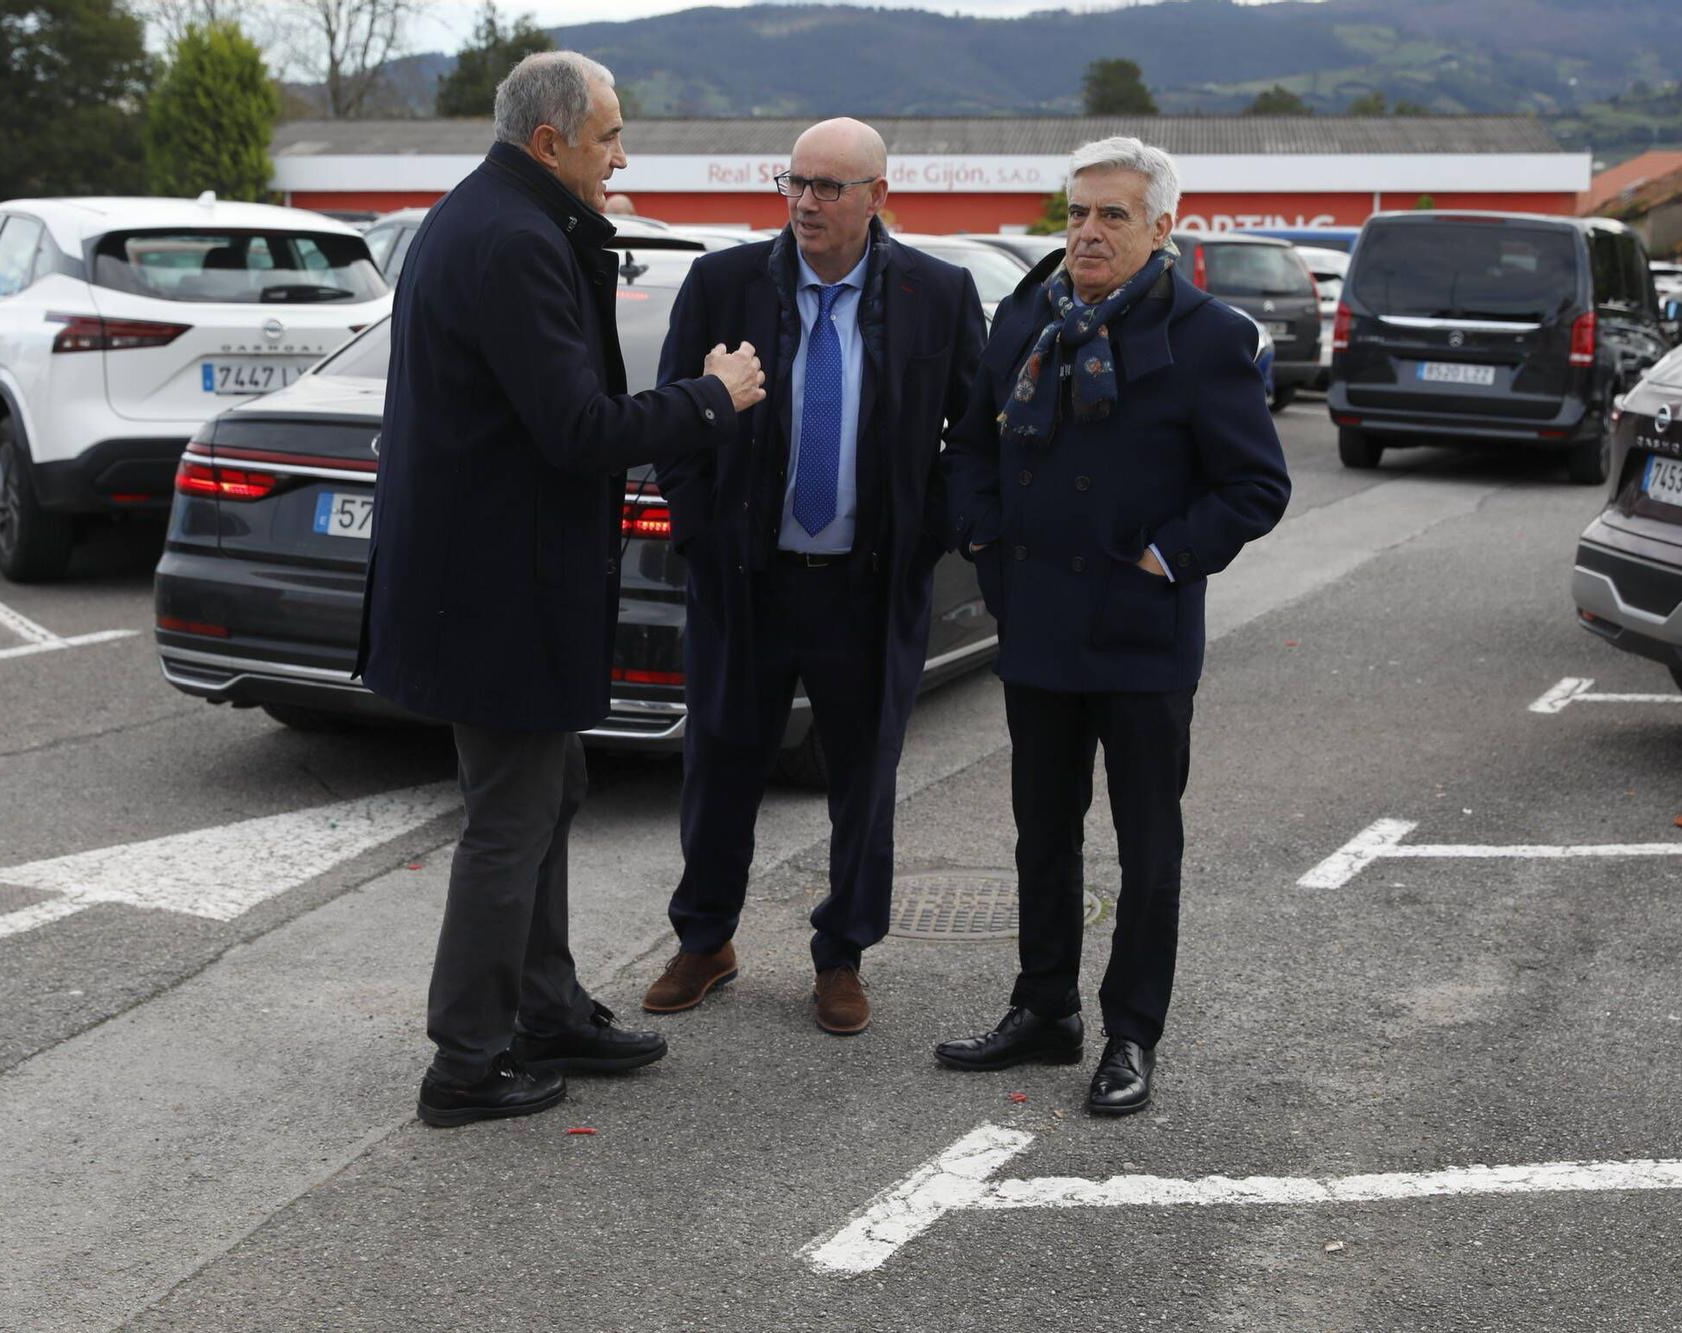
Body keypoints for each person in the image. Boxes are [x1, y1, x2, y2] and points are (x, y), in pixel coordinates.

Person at [357, 52, 766, 1127]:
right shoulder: (512, 239)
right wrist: (709, 396)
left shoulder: (498, 217)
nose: (622, 156)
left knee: (551, 793)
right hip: (496, 594)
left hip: (496, 585)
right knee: (510, 816)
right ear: (551, 143)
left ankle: (543, 1008)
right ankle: (465, 1061)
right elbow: (577, 429)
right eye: (610, 136)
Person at [934, 138, 1290, 1114]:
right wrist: (985, 539)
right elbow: (969, 444)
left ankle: (1130, 1032)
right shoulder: (1026, 319)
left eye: (1111, 216)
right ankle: (1042, 1010)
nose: (1086, 232)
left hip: (1140, 636)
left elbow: (1255, 485)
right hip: (1039, 622)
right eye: (1076, 213)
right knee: (1040, 835)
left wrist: (1163, 554)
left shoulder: (1206, 336)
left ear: (1160, 229)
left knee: (1146, 848)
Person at [640, 118, 985, 1035]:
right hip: (745, 582)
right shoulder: (723, 284)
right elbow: (675, 418)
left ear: (880, 196)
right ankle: (705, 938)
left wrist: (928, 538)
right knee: (719, 766)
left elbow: (974, 434)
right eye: (795, 183)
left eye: (830, 187)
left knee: (864, 781)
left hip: (867, 588)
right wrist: (704, 531)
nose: (806, 203)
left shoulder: (937, 295)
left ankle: (842, 955)